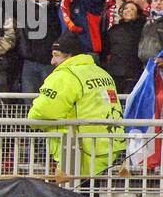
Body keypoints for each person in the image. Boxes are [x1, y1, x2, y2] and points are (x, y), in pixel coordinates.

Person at [28, 32, 125, 176]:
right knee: (92, 195)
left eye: (56, 55)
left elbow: (42, 113)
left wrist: (32, 121)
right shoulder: (101, 73)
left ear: (69, 55)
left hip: (78, 151)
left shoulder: (64, 76)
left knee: (73, 195)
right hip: (108, 147)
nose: (52, 61)